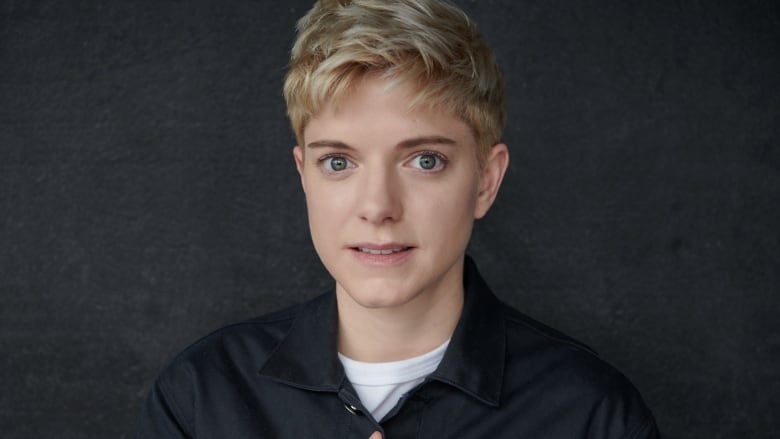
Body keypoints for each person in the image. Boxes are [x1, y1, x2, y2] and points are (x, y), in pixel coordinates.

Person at [134, 0, 659, 437]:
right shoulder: (200, 398)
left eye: (425, 160)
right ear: (304, 175)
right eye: (338, 162)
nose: (378, 206)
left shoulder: (592, 414)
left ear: (485, 180)